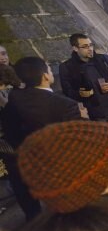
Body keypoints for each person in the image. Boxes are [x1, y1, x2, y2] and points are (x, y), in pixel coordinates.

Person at [1, 57, 84, 221]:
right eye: (49, 69)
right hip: (58, 168)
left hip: (26, 161)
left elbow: (10, 131)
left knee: (35, 213)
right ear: (45, 76)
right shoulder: (64, 104)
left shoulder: (15, 98)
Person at [59, 33, 108, 120]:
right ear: (75, 48)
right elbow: (67, 92)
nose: (90, 49)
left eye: (91, 45)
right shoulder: (66, 67)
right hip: (94, 113)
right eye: (85, 46)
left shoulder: (104, 59)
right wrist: (79, 94)